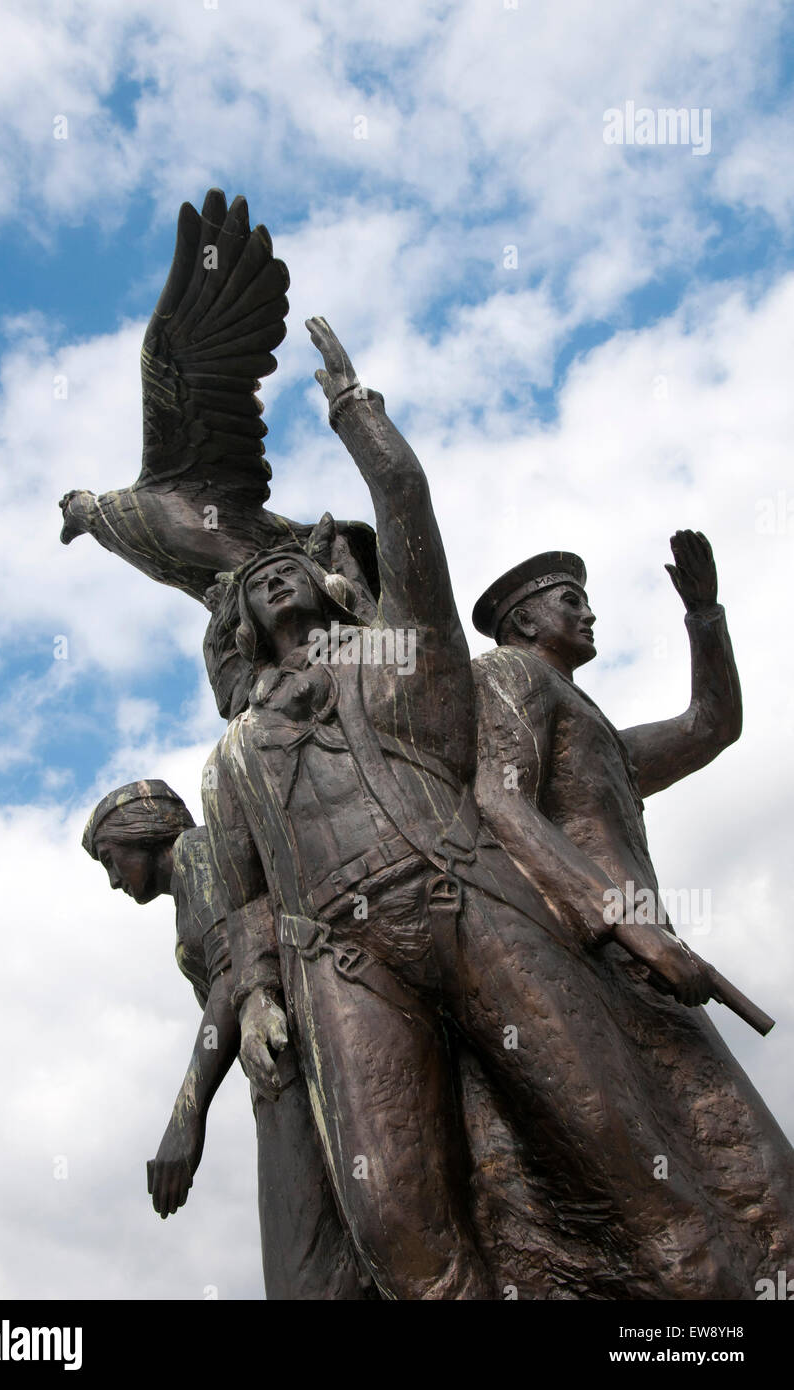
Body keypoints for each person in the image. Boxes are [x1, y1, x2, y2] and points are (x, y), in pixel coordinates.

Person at [203, 319, 748, 1301]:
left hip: (465, 899)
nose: (270, 576)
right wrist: (251, 999)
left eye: (284, 567)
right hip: (339, 957)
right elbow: (245, 900)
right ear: (239, 627)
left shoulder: (398, 657)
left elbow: (405, 507)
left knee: (619, 1156)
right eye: (252, 584)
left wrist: (354, 413)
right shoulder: (231, 755)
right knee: (396, 1230)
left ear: (332, 594)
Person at [472, 536, 794, 1289]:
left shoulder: (597, 733)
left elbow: (709, 727)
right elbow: (499, 797)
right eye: (568, 600)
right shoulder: (507, 674)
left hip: (644, 960)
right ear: (521, 622)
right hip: (591, 953)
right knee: (695, 1189)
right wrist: (633, 926)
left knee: (756, 1183)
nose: (588, 613)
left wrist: (704, 619)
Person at [83, 779, 374, 1299]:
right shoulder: (189, 883)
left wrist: (184, 1121)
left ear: (143, 833)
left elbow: (231, 977)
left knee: (303, 1268)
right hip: (282, 1075)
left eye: (110, 858)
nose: (111, 880)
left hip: (297, 1059)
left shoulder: (198, 852)